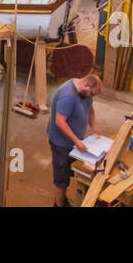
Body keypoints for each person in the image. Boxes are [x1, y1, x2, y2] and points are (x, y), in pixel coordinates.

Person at [46, 73, 102, 207]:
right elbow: (60, 122)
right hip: (61, 144)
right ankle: (58, 204)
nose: (91, 97)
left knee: (74, 171)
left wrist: (94, 127)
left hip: (73, 142)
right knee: (62, 179)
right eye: (92, 94)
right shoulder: (68, 96)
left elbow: (90, 109)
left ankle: (63, 198)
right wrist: (77, 141)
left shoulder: (84, 92)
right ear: (87, 85)